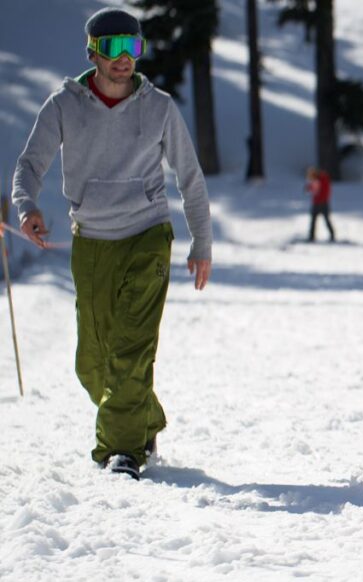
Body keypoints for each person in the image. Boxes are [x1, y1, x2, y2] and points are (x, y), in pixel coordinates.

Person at [11, 7, 213, 480]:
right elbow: (29, 165)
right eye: (113, 48)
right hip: (92, 241)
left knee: (130, 349)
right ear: (93, 53)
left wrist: (201, 241)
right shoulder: (64, 104)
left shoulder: (159, 106)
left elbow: (190, 178)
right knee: (92, 363)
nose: (124, 59)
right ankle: (143, 419)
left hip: (146, 235)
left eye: (133, 47)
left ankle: (120, 452)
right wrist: (27, 207)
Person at [305, 166, 335, 242]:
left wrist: (321, 199)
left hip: (323, 203)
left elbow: (325, 192)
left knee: (326, 220)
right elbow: (313, 188)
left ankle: (332, 235)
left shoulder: (323, 179)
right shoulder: (316, 180)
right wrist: (308, 188)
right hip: (316, 203)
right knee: (313, 221)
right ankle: (311, 236)